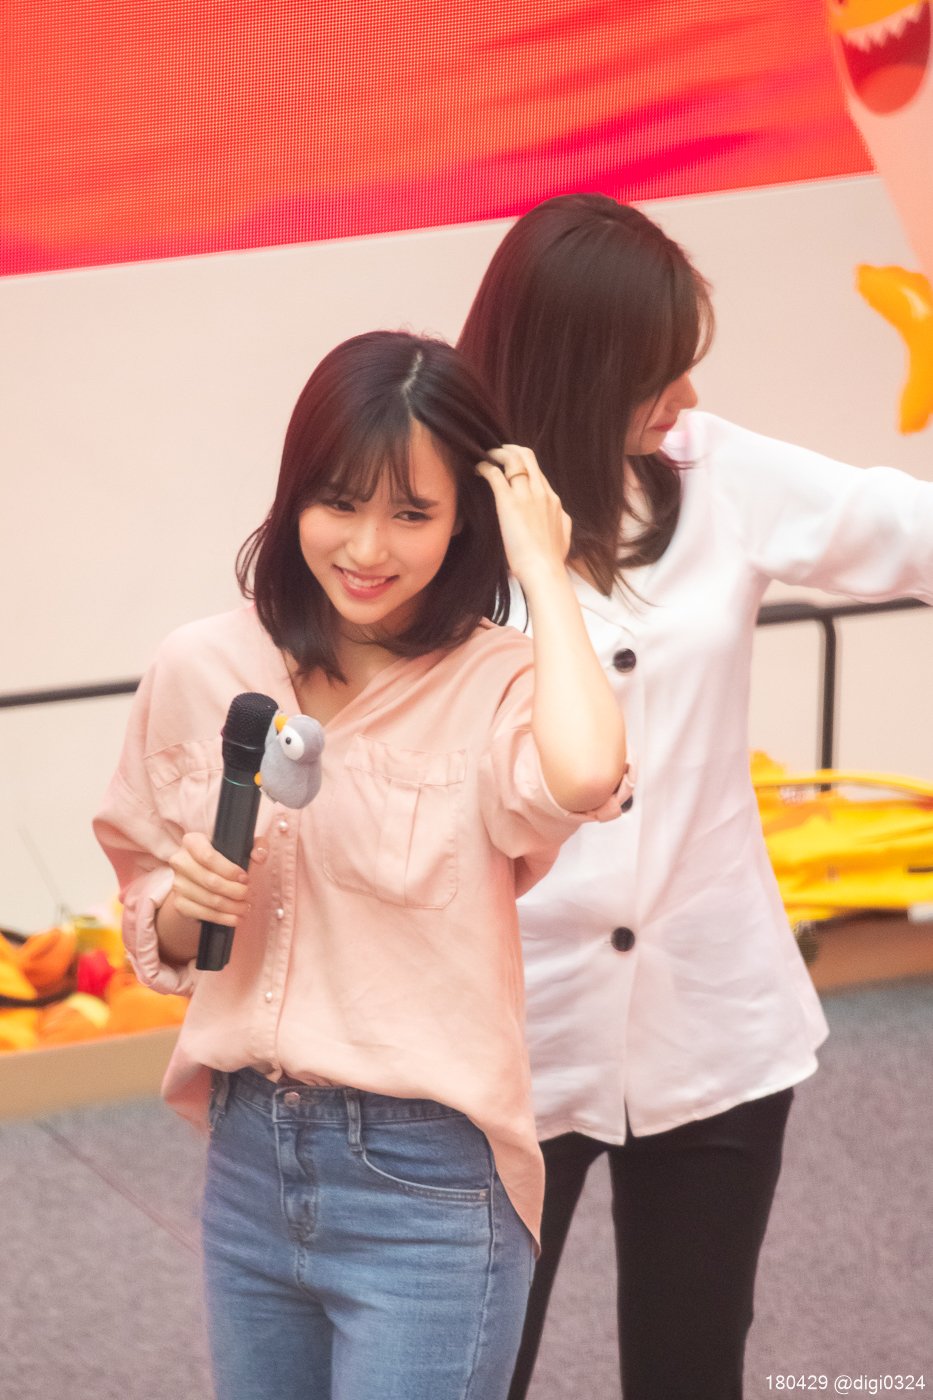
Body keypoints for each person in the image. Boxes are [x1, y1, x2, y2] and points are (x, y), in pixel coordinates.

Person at [457, 193, 933, 1400]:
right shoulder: (441, 512)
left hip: (714, 1013)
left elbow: (912, 530)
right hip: (503, 1026)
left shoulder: (716, 472)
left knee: (691, 1364)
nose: (684, 399)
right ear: (571, 371)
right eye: (654, 375)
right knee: (470, 1369)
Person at [93, 330, 628, 1400]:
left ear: (465, 517)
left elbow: (582, 776)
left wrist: (543, 570)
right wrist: (190, 903)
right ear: (294, 494)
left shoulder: (500, 681)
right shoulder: (202, 665)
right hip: (249, 1162)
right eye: (338, 502)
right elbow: (160, 922)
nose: (367, 547)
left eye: (413, 513)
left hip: (426, 1187)